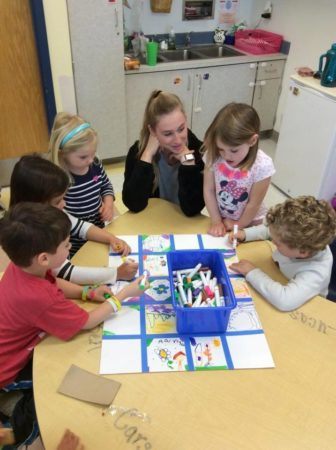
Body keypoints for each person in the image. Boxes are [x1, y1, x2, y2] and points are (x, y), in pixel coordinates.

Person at [0, 202, 147, 447]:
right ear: (44, 258)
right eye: (67, 245)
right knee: (50, 392)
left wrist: (86, 292)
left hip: (11, 344)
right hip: (7, 369)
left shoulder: (22, 266)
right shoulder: (38, 296)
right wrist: (124, 295)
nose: (70, 248)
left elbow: (54, 283)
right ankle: (15, 433)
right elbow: (87, 322)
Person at [10, 155, 137, 284]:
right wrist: (116, 273)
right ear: (36, 203)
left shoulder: (48, 213)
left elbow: (82, 227)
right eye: (58, 201)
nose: (64, 204)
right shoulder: (33, 236)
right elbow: (67, 273)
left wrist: (111, 238)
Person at [229, 196, 336, 311]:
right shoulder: (294, 240)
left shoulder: (316, 273)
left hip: (305, 307)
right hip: (278, 276)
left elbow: (285, 301)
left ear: (303, 252)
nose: (273, 241)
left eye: (278, 244)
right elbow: (271, 231)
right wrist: (245, 234)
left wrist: (251, 272)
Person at [122, 90, 204, 216]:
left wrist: (189, 163)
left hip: (183, 224)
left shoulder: (199, 151)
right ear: (153, 131)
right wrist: (147, 154)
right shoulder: (137, 152)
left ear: (186, 120)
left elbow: (192, 210)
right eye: (168, 134)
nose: (177, 140)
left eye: (181, 129)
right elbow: (134, 204)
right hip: (153, 222)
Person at [203, 102, 275, 236]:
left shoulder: (262, 166)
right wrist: (216, 220)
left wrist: (239, 225)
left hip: (251, 222)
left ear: (252, 141)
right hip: (222, 218)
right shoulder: (213, 154)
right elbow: (209, 190)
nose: (226, 155)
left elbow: (253, 204)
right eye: (221, 149)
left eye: (234, 150)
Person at [49, 112, 115, 252]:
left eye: (93, 153)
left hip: (98, 225)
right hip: (74, 235)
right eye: (84, 156)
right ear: (62, 153)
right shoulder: (59, 178)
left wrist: (108, 204)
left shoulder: (95, 164)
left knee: (99, 254)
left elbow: (106, 186)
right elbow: (61, 213)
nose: (91, 160)